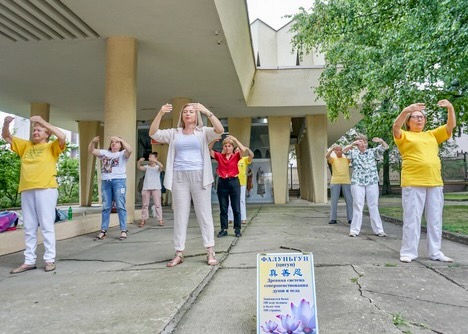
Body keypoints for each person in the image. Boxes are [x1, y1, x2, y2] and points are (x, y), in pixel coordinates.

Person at [149, 102, 223, 267]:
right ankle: (179, 252)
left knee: (204, 214)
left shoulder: (203, 132)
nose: (188, 114)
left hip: (199, 176)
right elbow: (153, 133)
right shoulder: (174, 133)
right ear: (181, 116)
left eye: (191, 111)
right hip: (179, 177)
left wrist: (207, 111)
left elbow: (219, 130)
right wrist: (160, 113)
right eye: (185, 112)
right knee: (180, 216)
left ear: (196, 115)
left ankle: (210, 250)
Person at [393, 100, 455, 263]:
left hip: (434, 181)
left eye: (421, 117)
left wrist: (450, 108)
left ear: (425, 121)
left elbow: (450, 127)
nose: (419, 119)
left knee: (435, 219)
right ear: (409, 121)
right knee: (412, 218)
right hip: (413, 181)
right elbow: (395, 128)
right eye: (414, 117)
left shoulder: (432, 135)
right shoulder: (405, 135)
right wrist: (405, 110)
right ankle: (408, 252)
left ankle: (435, 252)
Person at [2, 115, 66, 274]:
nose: (35, 132)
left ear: (47, 134)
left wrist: (43, 122)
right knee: (29, 226)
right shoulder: (25, 146)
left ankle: (49, 259)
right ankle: (29, 261)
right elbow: (5, 136)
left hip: (46, 189)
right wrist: (6, 123)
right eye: (34, 130)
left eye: (39, 130)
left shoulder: (52, 147)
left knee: (46, 225)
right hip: (27, 189)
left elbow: (62, 136)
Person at [343, 135, 388, 237]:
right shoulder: (353, 152)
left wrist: (381, 140)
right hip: (358, 182)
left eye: (364, 142)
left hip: (372, 182)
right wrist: (353, 144)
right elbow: (344, 151)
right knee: (358, 205)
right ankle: (354, 230)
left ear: (367, 143)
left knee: (373, 205)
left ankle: (379, 230)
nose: (362, 144)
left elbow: (385, 147)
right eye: (360, 142)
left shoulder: (372, 152)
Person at [89, 136, 132, 241]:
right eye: (112, 142)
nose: (114, 144)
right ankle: (103, 231)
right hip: (106, 182)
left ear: (120, 145)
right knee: (106, 207)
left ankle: (123, 230)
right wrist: (92, 142)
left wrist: (121, 139)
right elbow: (91, 150)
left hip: (119, 181)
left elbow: (130, 150)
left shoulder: (122, 154)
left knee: (120, 206)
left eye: (116, 142)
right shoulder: (104, 153)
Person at [210, 136, 250, 238]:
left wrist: (236, 140)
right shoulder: (220, 156)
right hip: (222, 182)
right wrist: (214, 141)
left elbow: (243, 150)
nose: (227, 148)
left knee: (236, 207)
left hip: (234, 182)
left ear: (232, 147)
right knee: (223, 208)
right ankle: (224, 229)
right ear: (223, 147)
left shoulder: (236, 156)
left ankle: (237, 229)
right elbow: (208, 150)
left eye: (229, 146)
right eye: (225, 146)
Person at [326, 145, 353, 224]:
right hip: (335, 181)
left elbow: (352, 155)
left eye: (340, 150)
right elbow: (327, 156)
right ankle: (333, 219)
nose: (339, 151)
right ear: (335, 151)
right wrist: (331, 149)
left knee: (349, 201)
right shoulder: (333, 159)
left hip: (346, 181)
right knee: (334, 201)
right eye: (337, 150)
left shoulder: (347, 159)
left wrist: (351, 147)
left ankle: (350, 218)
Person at [227, 147, 254, 224]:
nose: (238, 152)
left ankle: (243, 218)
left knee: (241, 200)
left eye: (239, 150)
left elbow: (252, 155)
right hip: (232, 182)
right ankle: (230, 218)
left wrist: (247, 149)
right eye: (236, 151)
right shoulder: (231, 159)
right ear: (234, 152)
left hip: (242, 183)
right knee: (230, 200)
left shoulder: (244, 159)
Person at [137, 152, 164, 227]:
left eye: (152, 157)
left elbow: (162, 166)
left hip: (156, 187)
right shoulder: (147, 167)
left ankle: (160, 219)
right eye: (149, 157)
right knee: (145, 205)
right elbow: (139, 167)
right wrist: (139, 162)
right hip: (146, 187)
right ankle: (143, 219)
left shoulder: (157, 167)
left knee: (157, 204)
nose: (150, 159)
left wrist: (155, 161)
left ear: (156, 158)